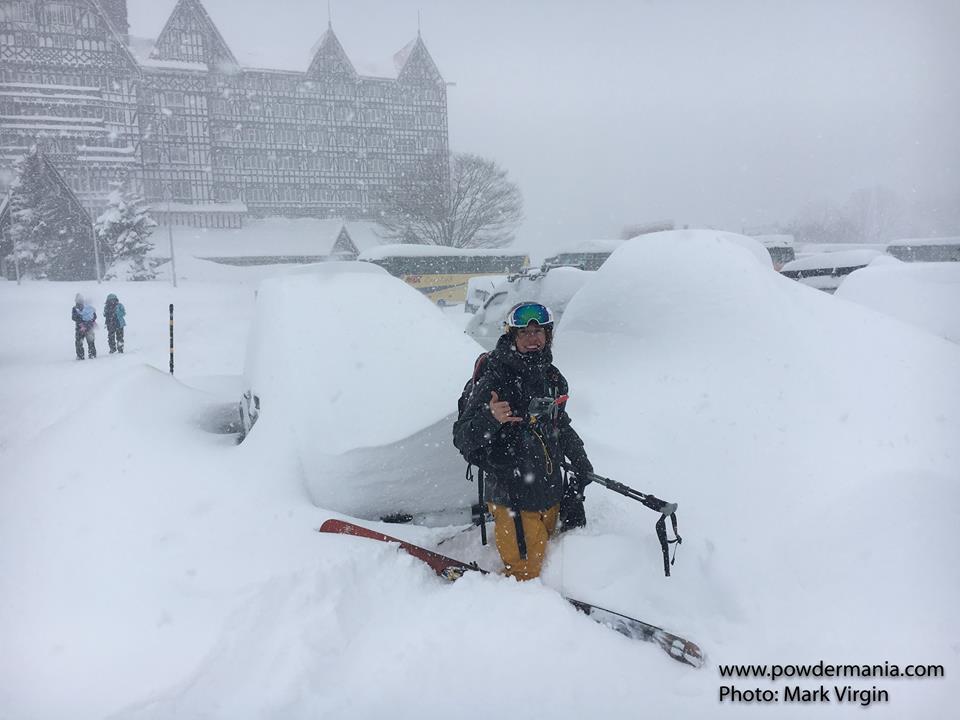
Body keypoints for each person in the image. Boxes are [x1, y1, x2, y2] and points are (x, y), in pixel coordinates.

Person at [453, 301, 594, 581]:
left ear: (548, 335)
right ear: (512, 336)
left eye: (539, 331)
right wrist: (490, 418)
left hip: (550, 491)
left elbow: (560, 424)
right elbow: (462, 437)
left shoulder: (552, 377)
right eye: (524, 333)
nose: (533, 338)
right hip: (513, 496)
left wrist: (580, 459)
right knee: (526, 575)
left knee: (549, 560)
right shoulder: (495, 377)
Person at [71, 293, 97, 360]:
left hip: (80, 328)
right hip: (88, 327)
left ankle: (80, 356)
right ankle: (92, 354)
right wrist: (89, 320)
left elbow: (73, 317)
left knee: (79, 341)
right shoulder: (88, 307)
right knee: (90, 341)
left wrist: (81, 320)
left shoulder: (76, 308)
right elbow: (94, 316)